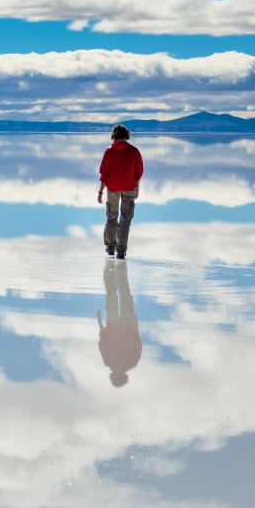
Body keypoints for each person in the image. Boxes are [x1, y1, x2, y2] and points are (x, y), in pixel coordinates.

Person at [98, 124, 143, 259]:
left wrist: (100, 191)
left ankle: (110, 247)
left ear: (114, 136)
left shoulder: (109, 151)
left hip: (112, 188)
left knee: (111, 217)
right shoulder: (134, 151)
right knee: (126, 219)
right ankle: (121, 250)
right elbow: (138, 173)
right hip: (129, 188)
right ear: (126, 136)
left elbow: (104, 174)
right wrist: (137, 188)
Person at [97, 258, 142, 387]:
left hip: (126, 325)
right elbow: (102, 341)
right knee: (114, 295)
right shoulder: (109, 361)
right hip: (116, 325)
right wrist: (100, 323)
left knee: (123, 294)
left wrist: (136, 323)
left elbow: (137, 341)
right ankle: (114, 271)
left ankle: (118, 271)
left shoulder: (132, 363)